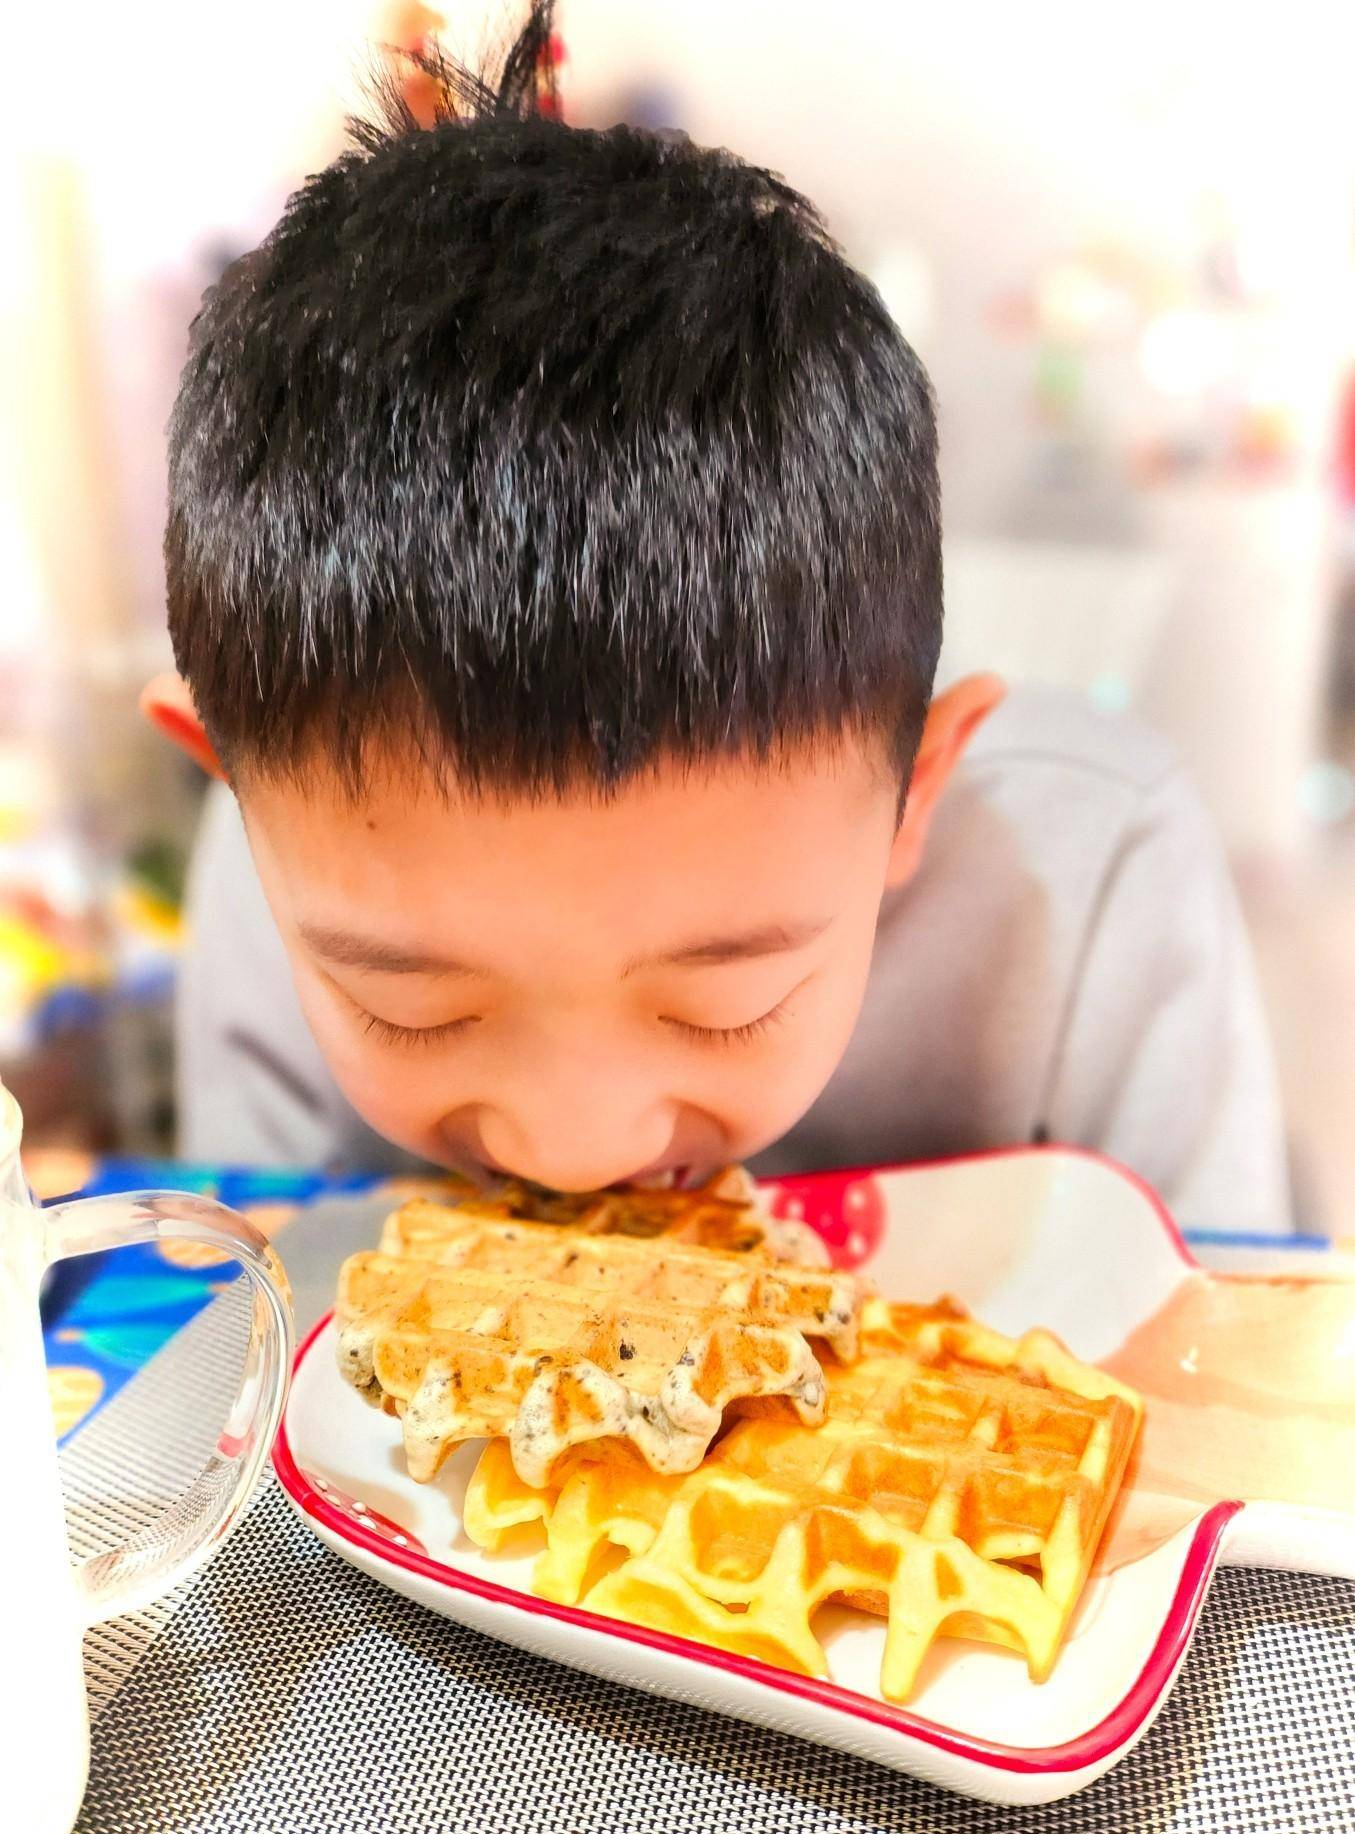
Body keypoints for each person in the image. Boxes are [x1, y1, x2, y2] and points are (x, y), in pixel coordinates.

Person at [145, 5, 1291, 1231]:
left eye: (726, 1004)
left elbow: (1216, 1346)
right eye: (411, 1010)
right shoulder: (273, 857)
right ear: (234, 780)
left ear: (915, 786)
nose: (581, 1148)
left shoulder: (1099, 867)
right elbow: (262, 1309)